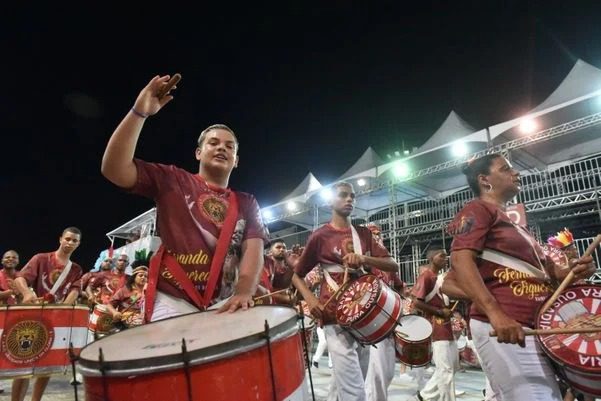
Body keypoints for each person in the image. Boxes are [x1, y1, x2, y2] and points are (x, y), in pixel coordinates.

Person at [101, 74, 269, 322]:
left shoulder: (247, 202)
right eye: (213, 143)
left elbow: (253, 251)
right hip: (172, 301)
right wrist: (139, 113)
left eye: (230, 146)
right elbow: (114, 169)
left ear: (237, 161)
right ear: (199, 153)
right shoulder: (172, 180)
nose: (222, 148)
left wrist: (244, 292)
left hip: (225, 304)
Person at [448, 153, 596, 401]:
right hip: (505, 325)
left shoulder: (518, 227)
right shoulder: (477, 209)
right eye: (506, 169)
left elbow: (552, 276)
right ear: (485, 180)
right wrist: (495, 313)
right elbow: (460, 260)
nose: (516, 173)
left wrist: (574, 271)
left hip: (535, 326)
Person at [291, 181, 399, 401]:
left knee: (350, 380)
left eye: (353, 196)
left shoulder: (364, 234)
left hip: (364, 317)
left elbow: (393, 264)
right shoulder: (320, 236)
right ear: (331, 201)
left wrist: (364, 258)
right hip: (333, 315)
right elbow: (296, 275)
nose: (350, 199)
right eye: (343, 195)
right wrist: (311, 300)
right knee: (354, 390)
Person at [11, 227, 84, 401]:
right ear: (60, 239)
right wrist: (27, 293)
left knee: (47, 367)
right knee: (23, 366)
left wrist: (64, 308)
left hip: (55, 321)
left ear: (78, 244)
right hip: (32, 318)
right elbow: (20, 278)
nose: (70, 243)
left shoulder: (76, 269)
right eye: (67, 239)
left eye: (74, 240)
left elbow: (75, 290)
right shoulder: (41, 258)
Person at [411, 248, 459, 401]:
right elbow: (417, 303)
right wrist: (439, 312)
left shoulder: (439, 278)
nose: (446, 258)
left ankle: (424, 396)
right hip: (436, 325)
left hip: (446, 325)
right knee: (445, 370)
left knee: (452, 366)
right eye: (442, 255)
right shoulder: (426, 276)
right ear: (432, 258)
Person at [364, 223, 405, 401]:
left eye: (378, 234)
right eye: (373, 234)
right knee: (378, 373)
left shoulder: (387, 264)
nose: (377, 237)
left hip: (389, 323)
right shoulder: (364, 262)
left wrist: (405, 298)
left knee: (387, 372)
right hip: (372, 323)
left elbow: (400, 287)